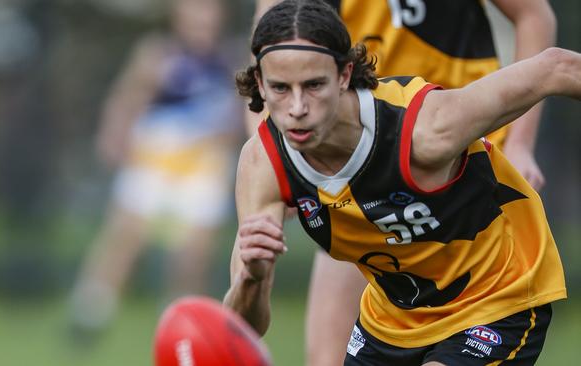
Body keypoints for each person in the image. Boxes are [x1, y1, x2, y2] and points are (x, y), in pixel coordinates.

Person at [224, 1, 578, 365]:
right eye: (281, 88)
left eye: (313, 85)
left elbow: (557, 67)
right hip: (393, 320)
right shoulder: (263, 163)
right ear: (260, 85)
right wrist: (252, 277)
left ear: (344, 76)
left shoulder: (429, 128)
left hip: (494, 296)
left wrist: (519, 144)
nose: (297, 107)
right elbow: (241, 327)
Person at [69, 0, 241, 338]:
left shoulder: (231, 60)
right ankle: (90, 312)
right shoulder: (157, 53)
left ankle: (180, 320)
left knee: (193, 252)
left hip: (203, 163)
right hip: (155, 157)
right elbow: (128, 96)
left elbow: (240, 115)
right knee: (125, 236)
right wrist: (114, 135)